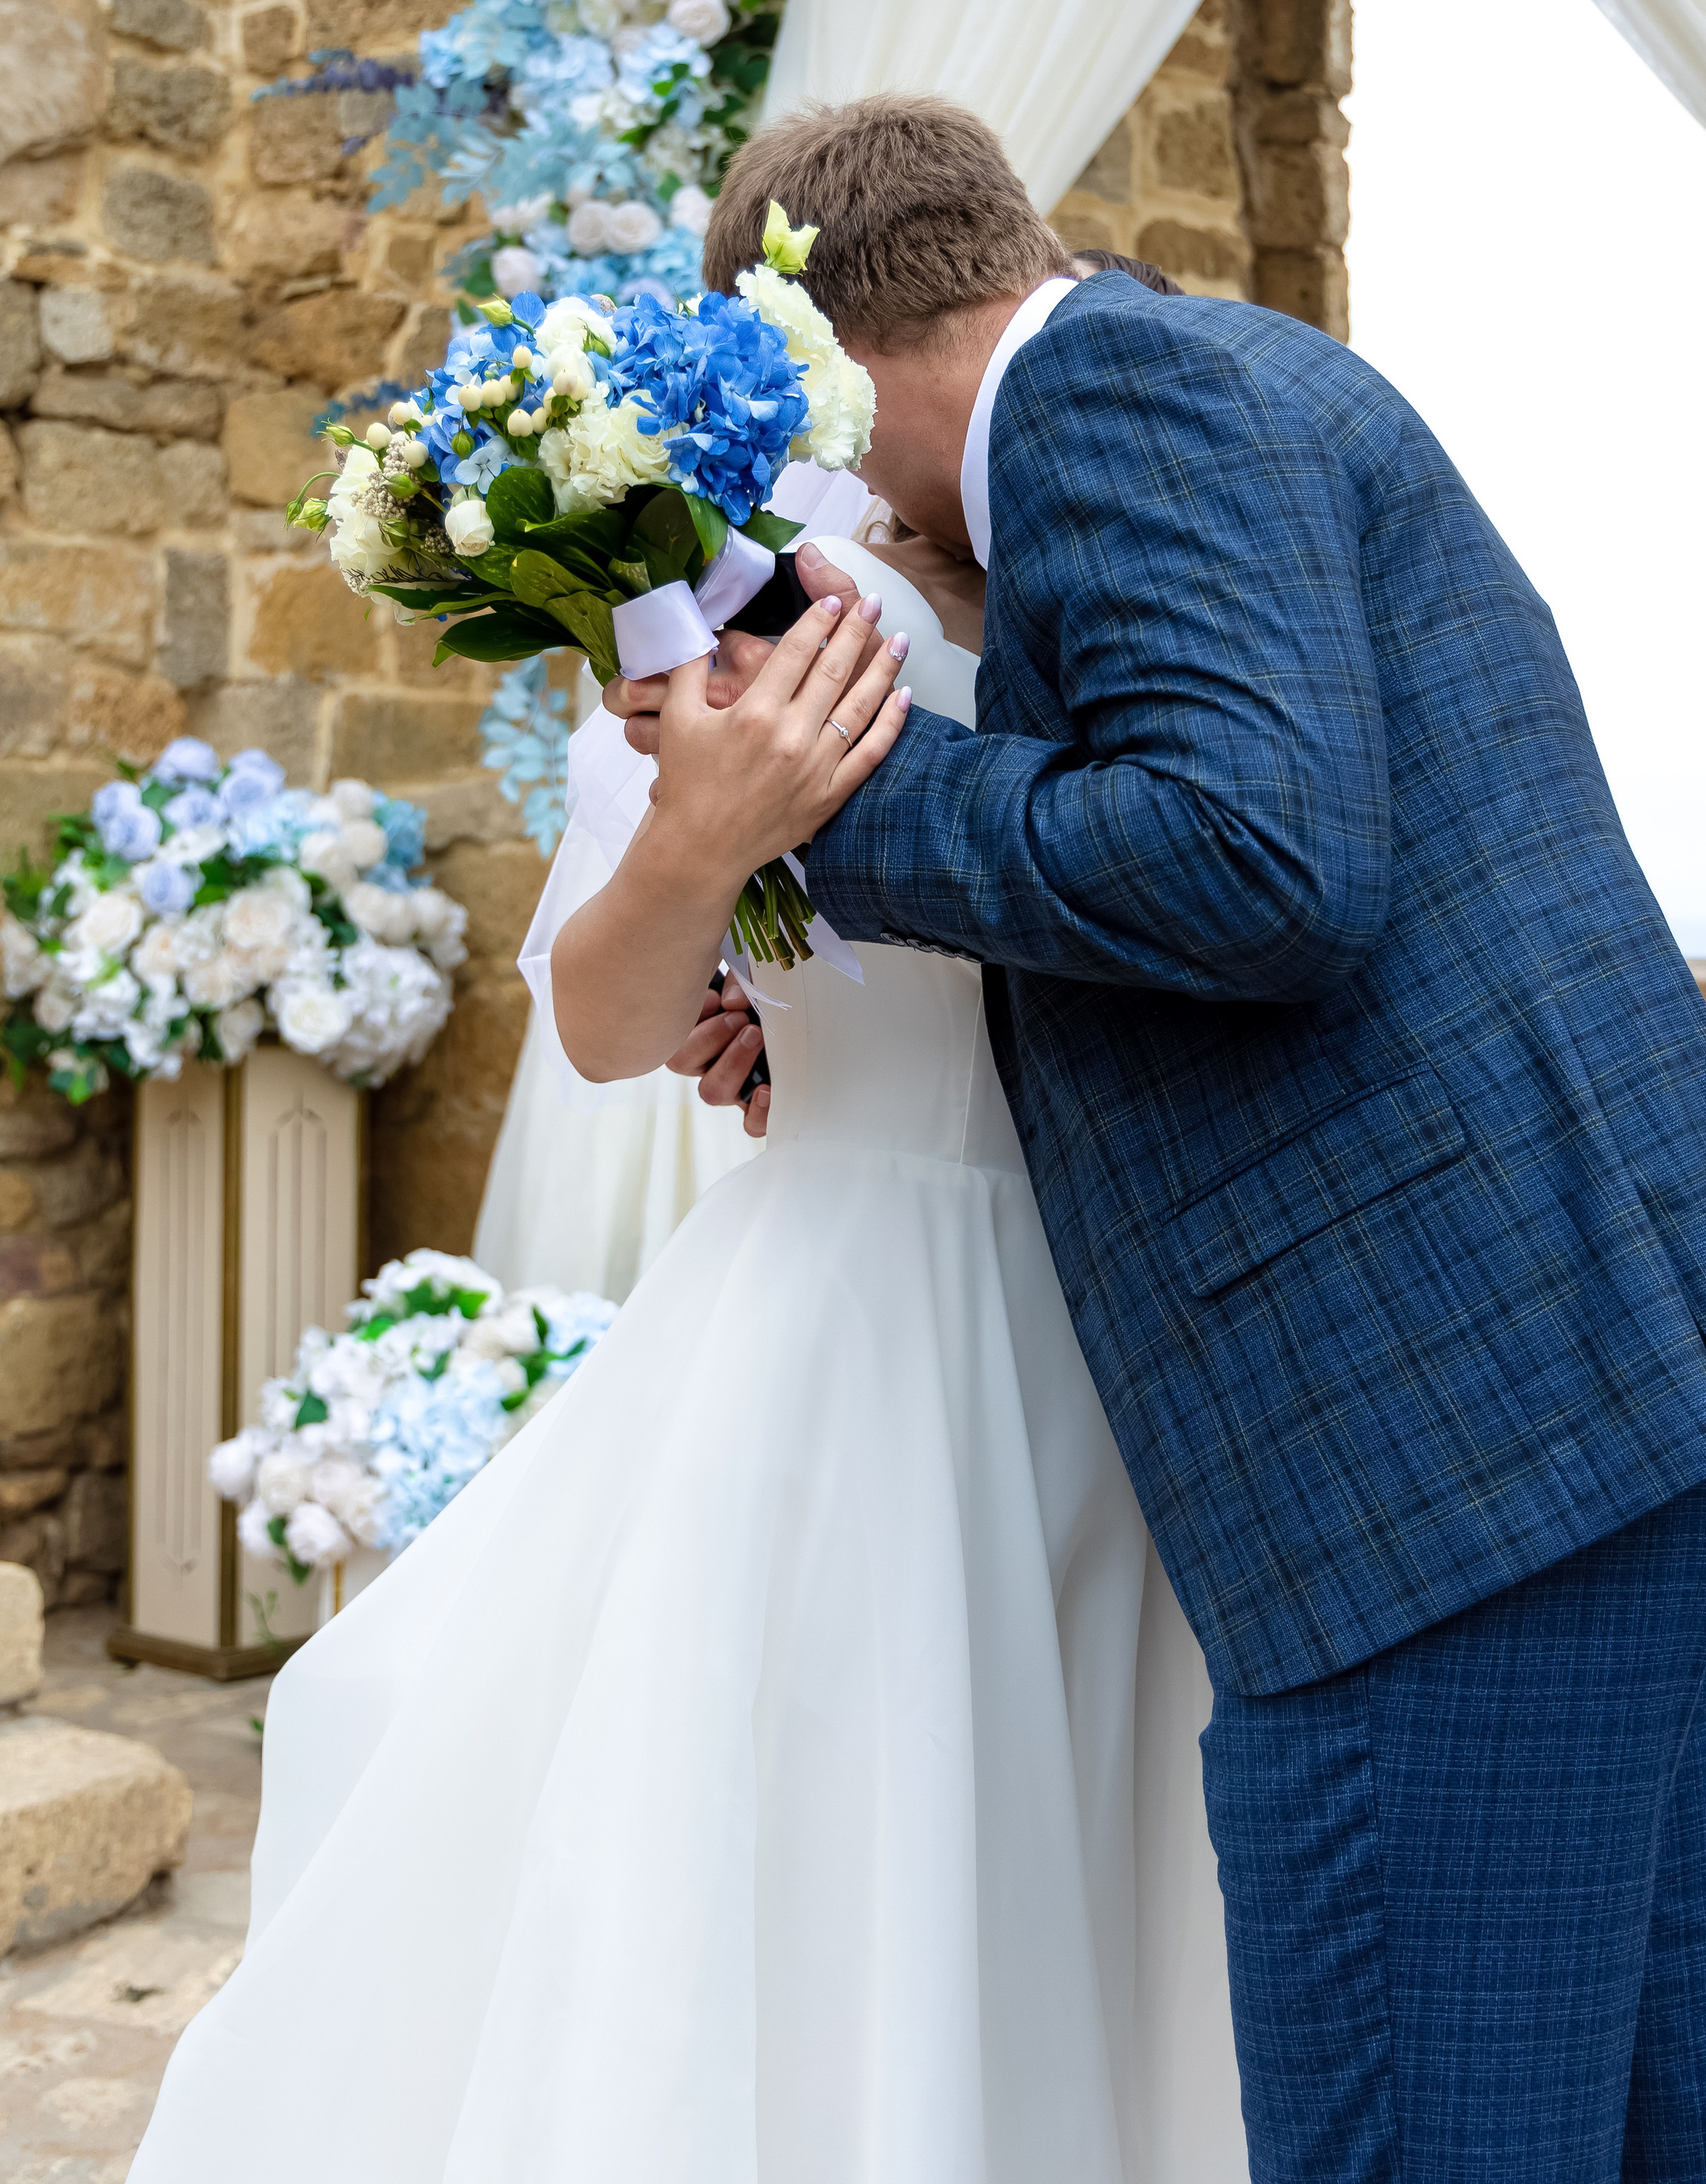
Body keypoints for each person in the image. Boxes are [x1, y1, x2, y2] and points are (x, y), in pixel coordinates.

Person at [615, 91, 1706, 2184]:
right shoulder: (1237, 369)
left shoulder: (1108, 395)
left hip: (1439, 1445)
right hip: (1584, 1398)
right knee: (1688, 2138)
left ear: (832, 360)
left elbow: (1261, 861)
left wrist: (820, 815)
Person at [127, 555, 1249, 2183]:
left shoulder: (1095, 563)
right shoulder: (700, 641)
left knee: (1088, 1824)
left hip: (1114, 1314)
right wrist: (703, 844)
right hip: (854, 1300)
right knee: (824, 1813)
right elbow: (600, 1022)